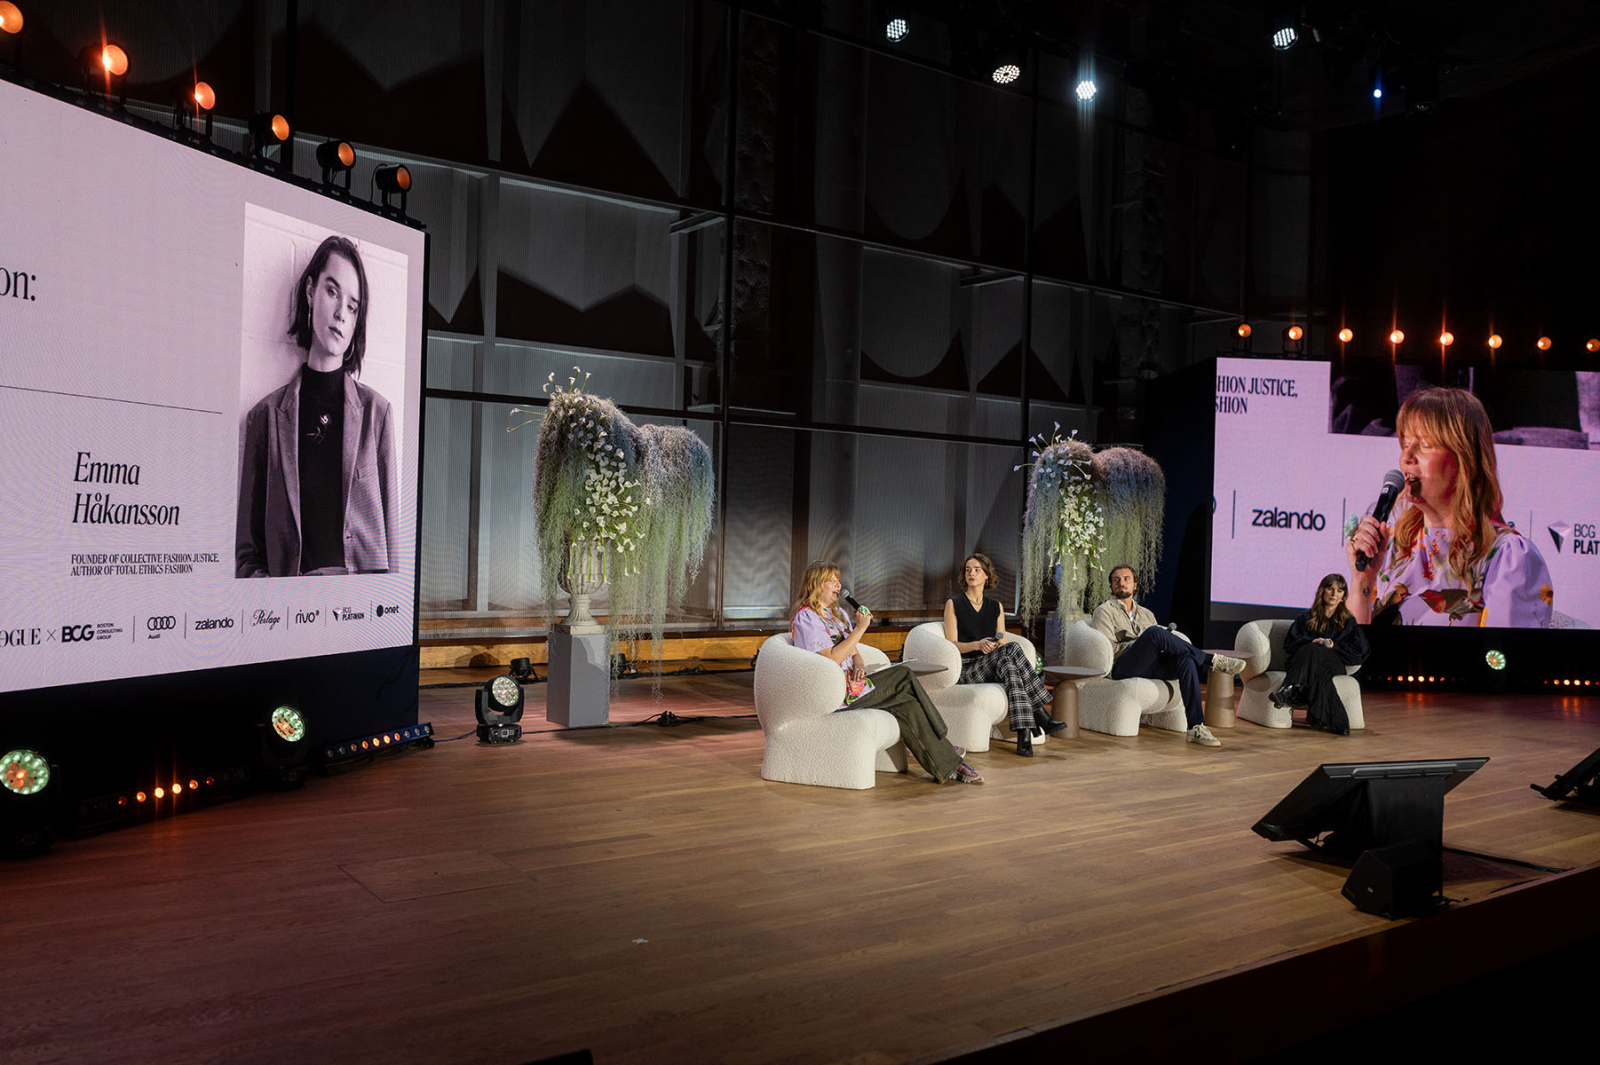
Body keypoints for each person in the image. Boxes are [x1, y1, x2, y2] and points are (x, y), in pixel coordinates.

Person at [237, 235, 396, 578]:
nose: (340, 313)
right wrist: (284, 600)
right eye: (332, 291)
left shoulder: (377, 415)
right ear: (310, 291)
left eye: (352, 306)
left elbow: (392, 549)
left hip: (360, 620)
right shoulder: (264, 419)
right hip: (290, 622)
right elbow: (246, 557)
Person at [1346, 387, 1553, 627]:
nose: (1407, 457)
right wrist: (1362, 580)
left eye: (1424, 445)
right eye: (1405, 443)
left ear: (1464, 459)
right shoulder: (1392, 545)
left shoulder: (1507, 557)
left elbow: (1504, 660)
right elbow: (1350, 658)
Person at [791, 561, 982, 784]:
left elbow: (855, 655)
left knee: (906, 703)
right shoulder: (807, 618)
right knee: (903, 675)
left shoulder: (838, 614)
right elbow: (831, 658)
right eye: (831, 581)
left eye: (838, 580)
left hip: (854, 686)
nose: (838, 585)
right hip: (833, 694)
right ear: (816, 584)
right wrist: (861, 628)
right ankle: (945, 739)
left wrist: (859, 668)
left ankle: (949, 766)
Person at [1089, 565, 1245, 747]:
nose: (1121, 583)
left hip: (1150, 664)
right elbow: (1107, 650)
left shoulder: (1146, 614)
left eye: (1126, 579)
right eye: (1116, 580)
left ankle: (1195, 727)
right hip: (1122, 666)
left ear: (1135, 585)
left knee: (1185, 661)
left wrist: (1157, 645)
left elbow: (1156, 644)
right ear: (1112, 587)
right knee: (1155, 633)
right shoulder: (1104, 611)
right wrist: (1139, 644)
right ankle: (1211, 660)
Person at [943, 552, 1065, 756]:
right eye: (968, 570)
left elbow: (1002, 643)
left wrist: (992, 646)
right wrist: (976, 645)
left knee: (1009, 662)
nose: (971, 573)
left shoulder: (995, 607)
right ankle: (1039, 713)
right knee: (1012, 651)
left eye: (976, 570)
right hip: (968, 669)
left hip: (992, 663)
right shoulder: (954, 603)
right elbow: (951, 645)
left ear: (987, 575)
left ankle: (1024, 733)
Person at [1271, 573, 1370, 734]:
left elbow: (1361, 650)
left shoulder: (1348, 621)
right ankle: (1338, 723)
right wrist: (1311, 642)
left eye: (1339, 591)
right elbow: (1289, 645)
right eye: (1330, 589)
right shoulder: (1306, 617)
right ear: (1322, 591)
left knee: (1317, 651)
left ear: (1344, 596)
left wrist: (1334, 646)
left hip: (1334, 662)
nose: (1334, 594)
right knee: (1314, 653)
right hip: (1306, 663)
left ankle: (1289, 690)